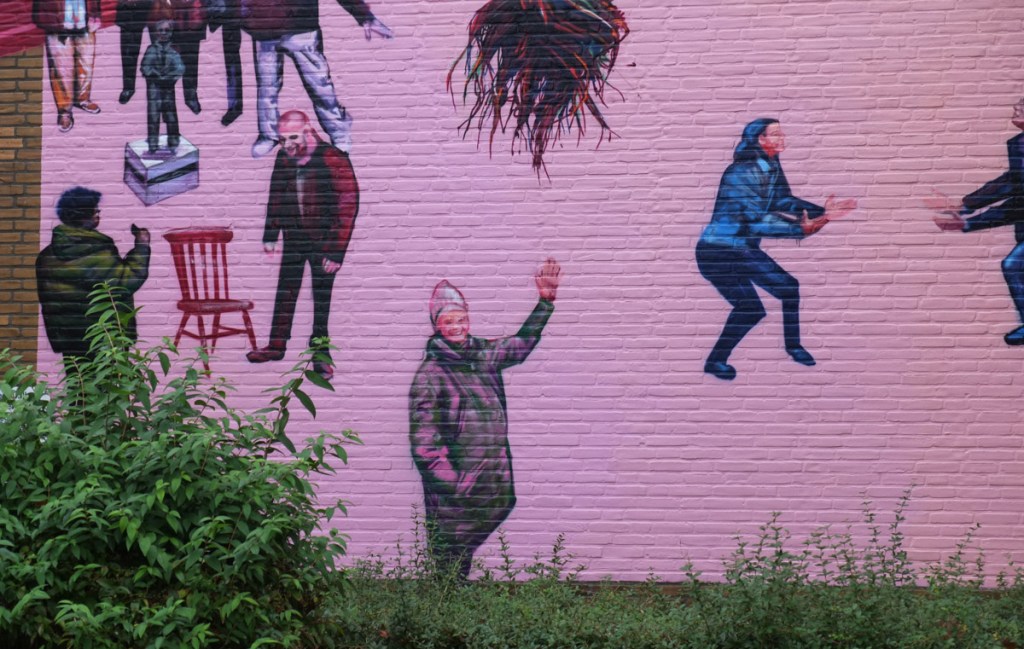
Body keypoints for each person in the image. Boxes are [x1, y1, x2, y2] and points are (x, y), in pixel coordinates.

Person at [409, 259, 562, 579]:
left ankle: (453, 602)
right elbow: (425, 446)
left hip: (490, 483)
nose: (457, 326)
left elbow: (519, 346)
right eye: (449, 320)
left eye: (462, 319)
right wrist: (457, 483)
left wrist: (544, 305)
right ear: (438, 325)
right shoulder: (430, 375)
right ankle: (447, 606)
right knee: (450, 557)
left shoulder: (482, 354)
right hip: (456, 494)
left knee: (460, 553)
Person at [696, 118, 855, 380]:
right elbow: (755, 220)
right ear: (761, 140)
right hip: (718, 251)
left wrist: (821, 212)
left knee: (778, 294)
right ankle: (719, 361)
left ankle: (791, 347)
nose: (783, 138)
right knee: (755, 306)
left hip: (740, 249)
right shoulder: (740, 173)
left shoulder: (771, 164)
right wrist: (800, 229)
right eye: (776, 134)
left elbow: (782, 200)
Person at [245, 111, 359, 380]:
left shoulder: (334, 159)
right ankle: (276, 346)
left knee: (321, 299)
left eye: (293, 138)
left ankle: (320, 354)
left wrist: (335, 251)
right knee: (286, 290)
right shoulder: (285, 157)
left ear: (309, 130)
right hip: (294, 236)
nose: (288, 145)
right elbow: (276, 194)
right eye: (283, 139)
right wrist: (271, 235)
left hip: (324, 240)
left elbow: (348, 206)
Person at [240, 0, 393, 158]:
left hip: (301, 27)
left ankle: (338, 131)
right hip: (263, 29)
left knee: (319, 86)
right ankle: (269, 135)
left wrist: (364, 16)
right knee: (267, 88)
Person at [928, 97, 1024, 346]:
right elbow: (1011, 183)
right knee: (1015, 266)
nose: (1015, 108)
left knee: (1014, 265)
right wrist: (963, 206)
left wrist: (969, 223)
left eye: (1022, 107)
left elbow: (1019, 204)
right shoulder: (1019, 144)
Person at [36, 187, 152, 361]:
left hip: (71, 340)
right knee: (111, 386)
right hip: (104, 337)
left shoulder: (46, 256)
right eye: (95, 211)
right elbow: (125, 282)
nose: (98, 214)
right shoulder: (93, 250)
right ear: (84, 216)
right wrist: (141, 246)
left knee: (79, 385)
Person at [32, 0, 103, 133]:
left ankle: (83, 99)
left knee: (86, 61)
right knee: (61, 68)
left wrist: (95, 13)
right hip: (57, 21)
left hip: (85, 18)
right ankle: (64, 110)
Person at [140, 19, 185, 153]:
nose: (164, 33)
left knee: (171, 116)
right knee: (153, 117)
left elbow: (180, 68)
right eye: (161, 30)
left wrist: (169, 77)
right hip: (154, 90)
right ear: (156, 33)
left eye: (167, 30)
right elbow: (145, 67)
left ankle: (173, 141)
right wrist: (155, 74)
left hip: (168, 89)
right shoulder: (151, 50)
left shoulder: (173, 51)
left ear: (171, 33)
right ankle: (153, 143)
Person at [116, 0, 155, 105]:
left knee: (161, 50)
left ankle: (161, 89)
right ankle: (128, 88)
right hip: (129, 9)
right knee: (129, 53)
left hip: (157, 7)